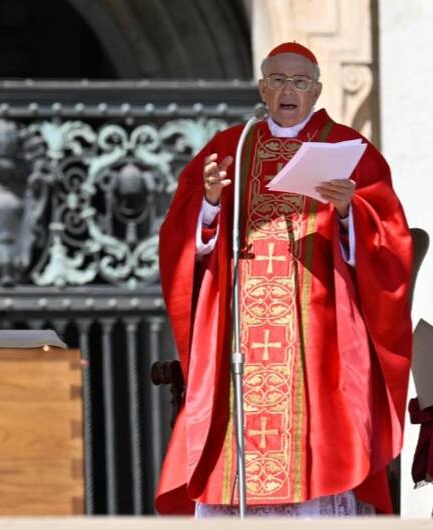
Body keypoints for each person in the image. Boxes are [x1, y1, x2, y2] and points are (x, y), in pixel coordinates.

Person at [155, 42, 413, 516]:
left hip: (319, 322)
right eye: (277, 80)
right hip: (240, 324)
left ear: (316, 89)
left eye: (299, 81)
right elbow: (181, 237)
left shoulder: (345, 147)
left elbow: (390, 239)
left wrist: (346, 209)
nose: (288, 90)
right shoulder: (230, 145)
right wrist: (209, 201)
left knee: (322, 432)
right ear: (262, 88)